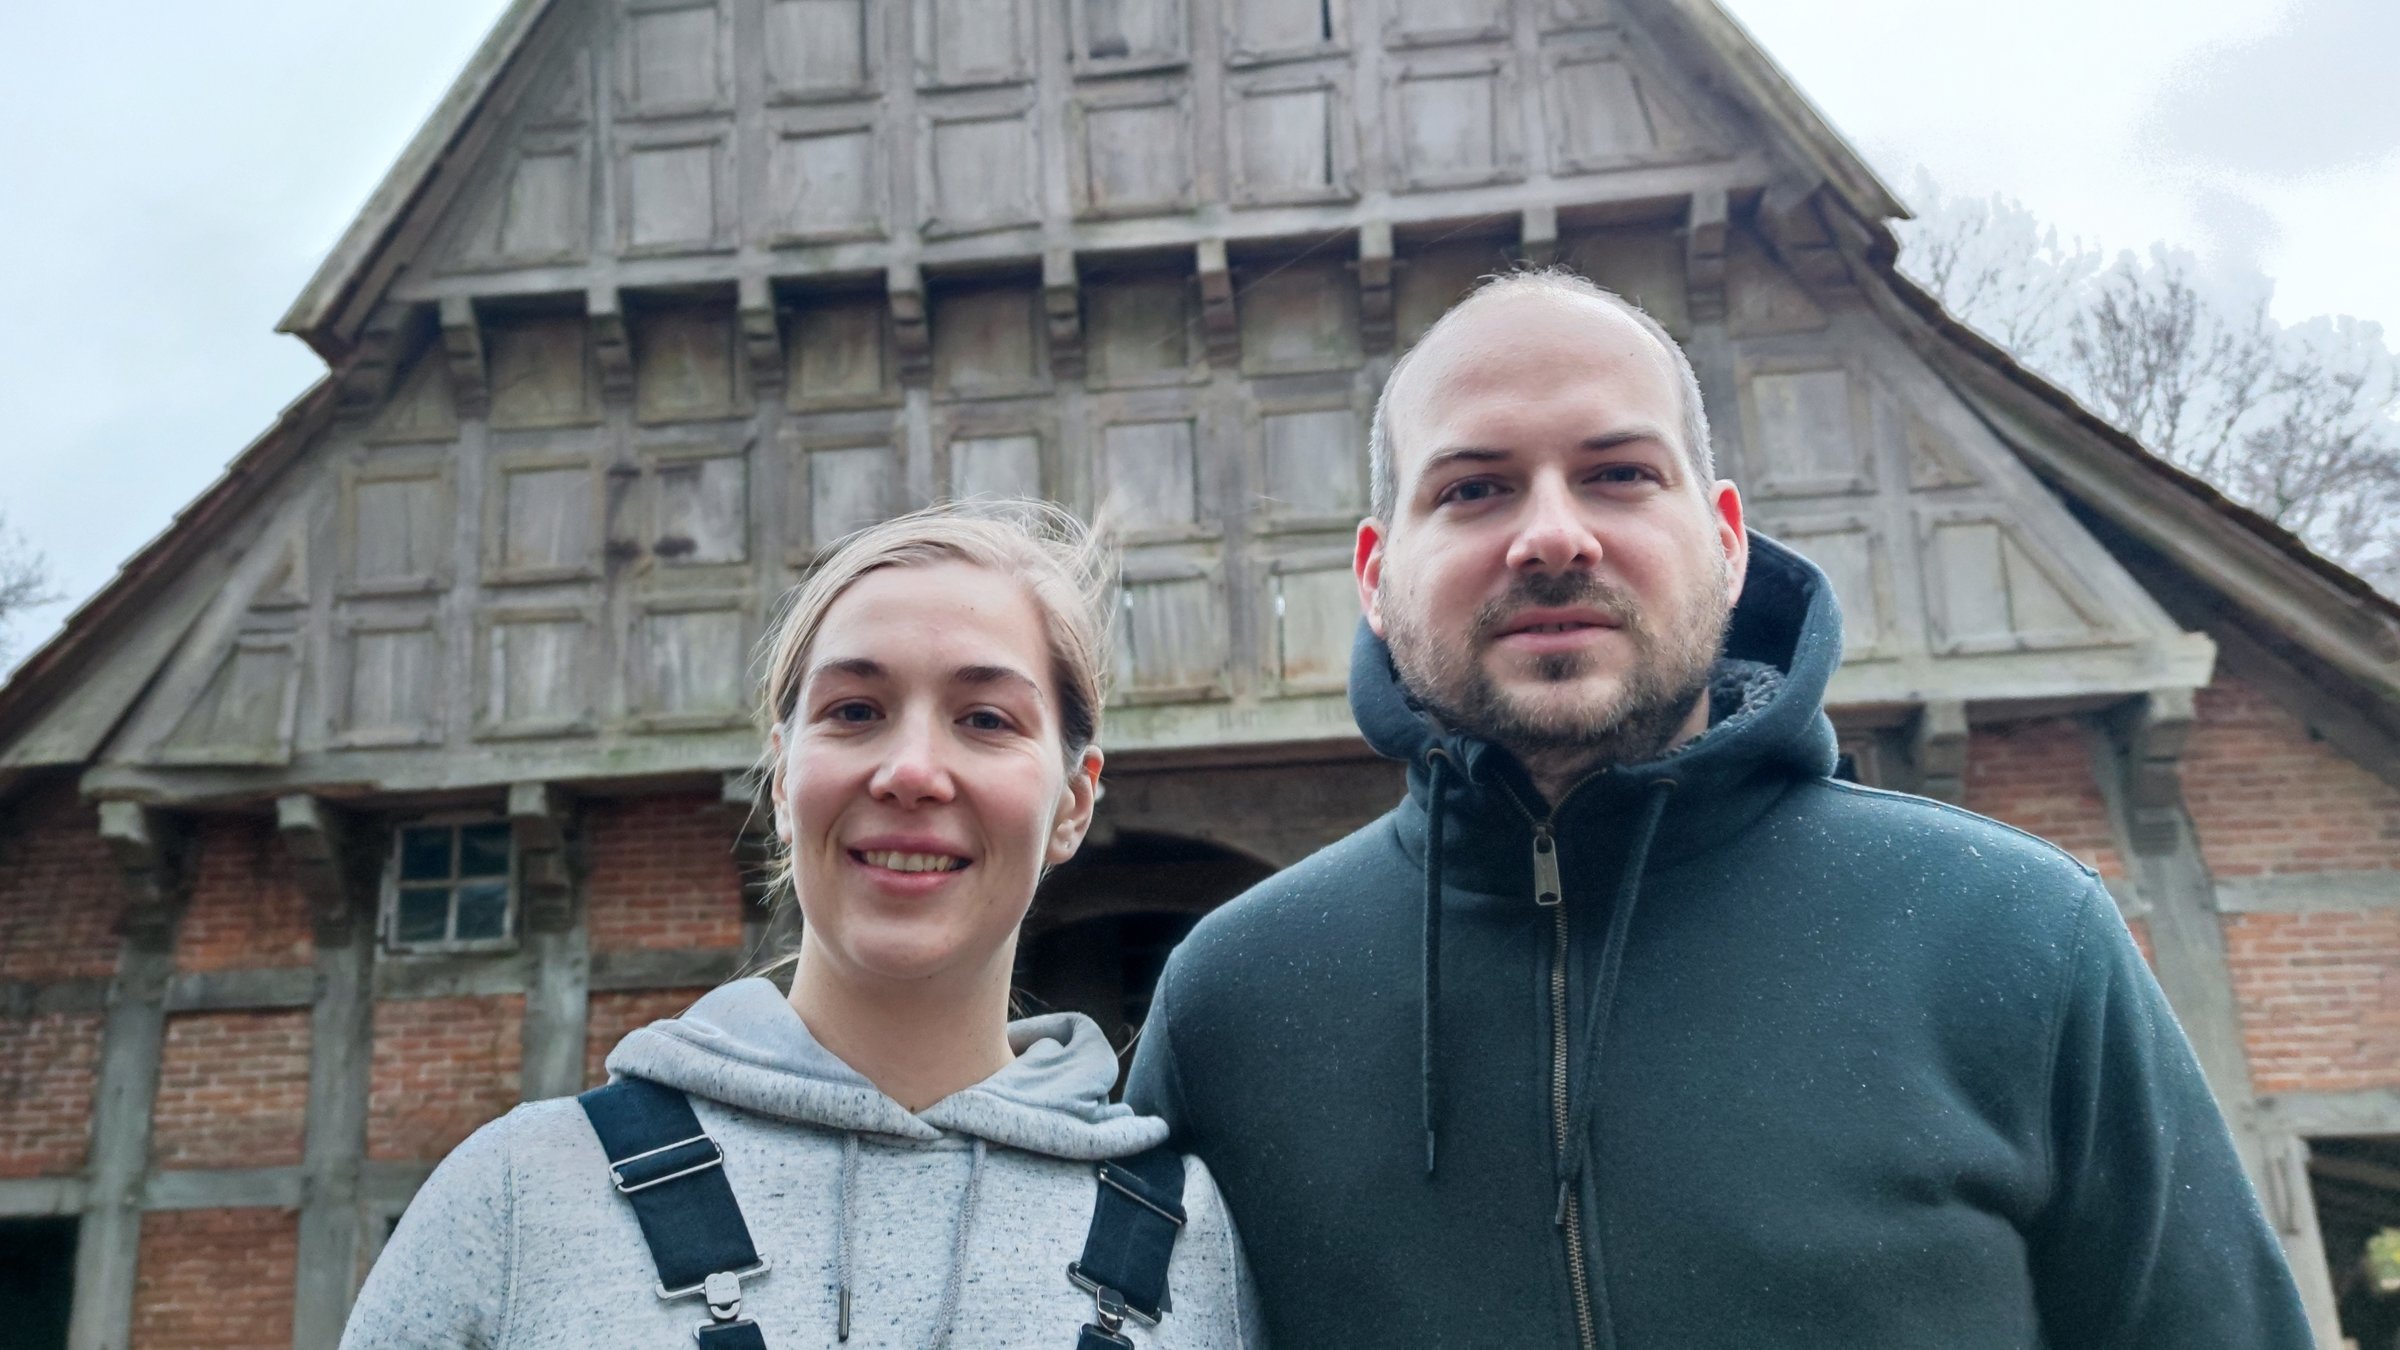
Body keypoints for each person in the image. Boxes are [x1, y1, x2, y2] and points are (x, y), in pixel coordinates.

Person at [1125, 269, 2312, 1348]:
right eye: (1476, 486)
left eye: (1620, 474)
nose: (1551, 534)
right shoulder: (1232, 1000)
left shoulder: (2019, 936)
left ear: (1729, 544)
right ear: (1376, 578)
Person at [345, 502, 1261, 1349]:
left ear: (1073, 802)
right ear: (783, 781)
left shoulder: (1195, 1246)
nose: (911, 771)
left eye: (985, 718)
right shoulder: (520, 1192)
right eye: (854, 710)